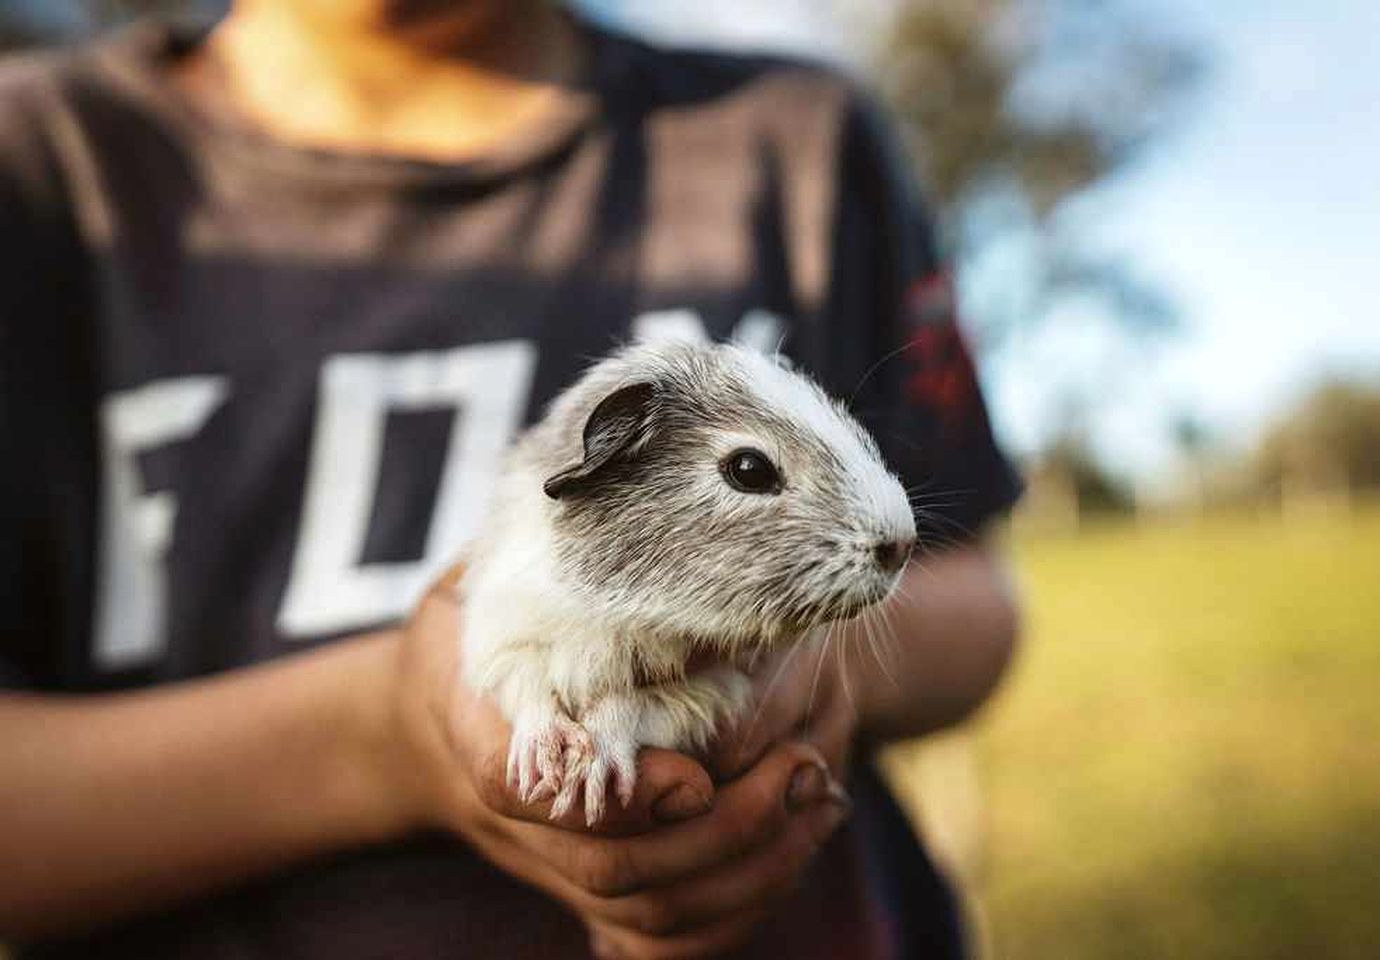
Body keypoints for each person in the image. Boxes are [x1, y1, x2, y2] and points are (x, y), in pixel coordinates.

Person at [0, 1, 1022, 957]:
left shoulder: (797, 137)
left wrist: (801, 673)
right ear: (594, 468)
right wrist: (388, 742)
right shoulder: (38, 167)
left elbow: (973, 599)